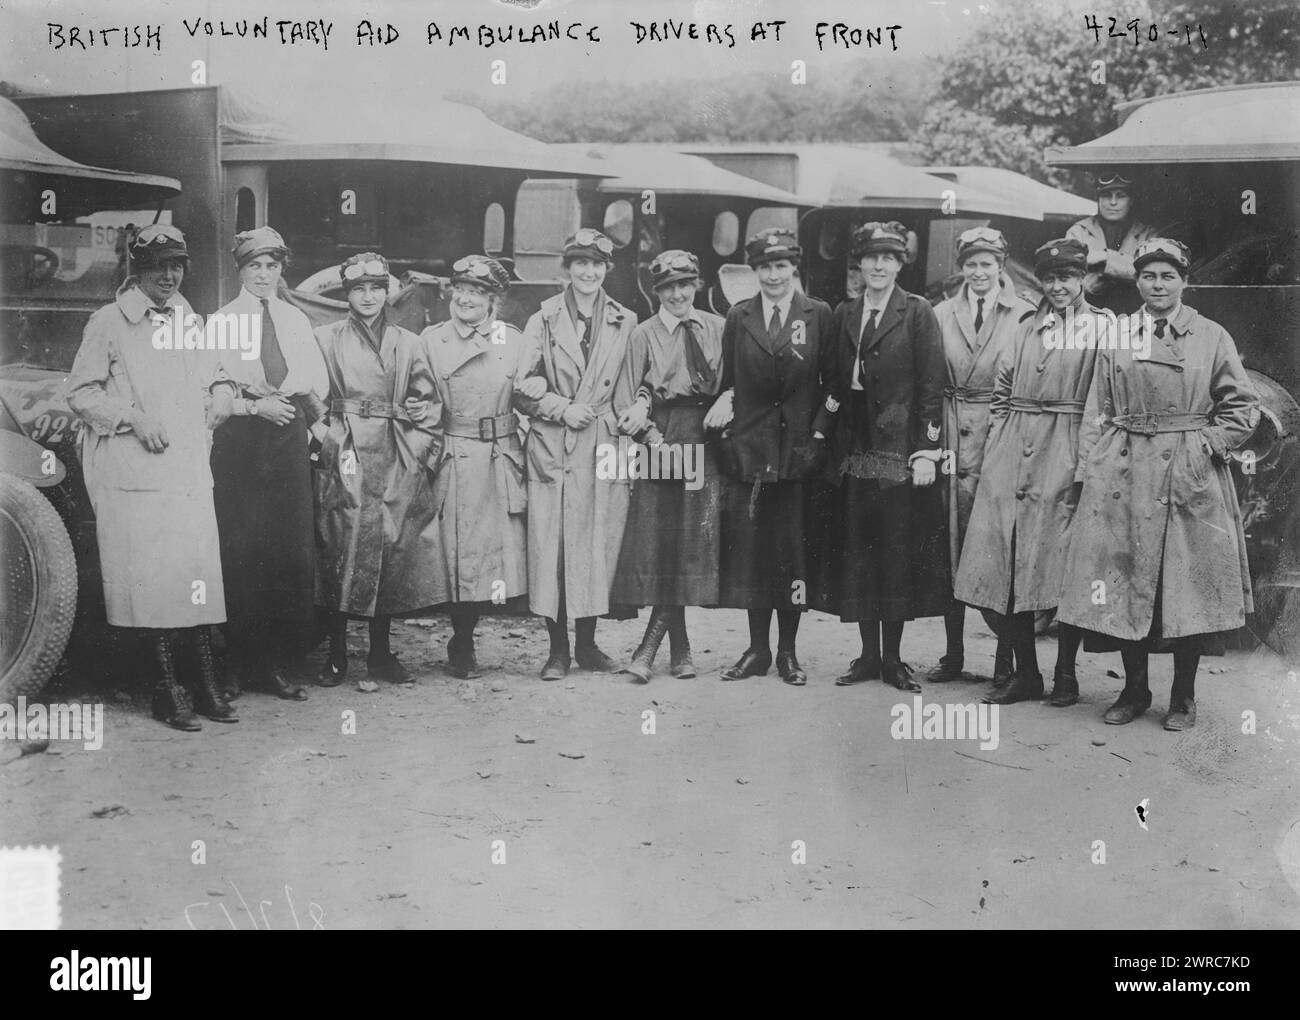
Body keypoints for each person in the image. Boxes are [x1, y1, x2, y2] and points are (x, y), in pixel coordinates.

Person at [1057, 238, 1259, 729]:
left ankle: (1183, 697)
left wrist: (1206, 443)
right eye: (1149, 276)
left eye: (1168, 276)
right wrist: (1091, 468)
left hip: (1187, 473)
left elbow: (1243, 407)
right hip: (1124, 471)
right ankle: (1134, 690)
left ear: (1184, 282)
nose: (1158, 285)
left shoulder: (1211, 335)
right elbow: (1096, 408)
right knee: (1126, 581)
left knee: (1184, 587)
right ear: (1139, 282)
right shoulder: (1120, 334)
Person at [66, 225, 239, 730]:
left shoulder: (189, 319)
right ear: (136, 271)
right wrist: (133, 418)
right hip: (135, 470)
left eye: (177, 265)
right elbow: (80, 392)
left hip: (185, 470)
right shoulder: (109, 323)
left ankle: (204, 682)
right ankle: (167, 688)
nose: (169, 275)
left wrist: (225, 391)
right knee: (152, 580)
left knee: (196, 572)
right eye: (158, 266)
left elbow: (217, 371)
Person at [953, 238, 1102, 706]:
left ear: (1083, 280)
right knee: (1008, 564)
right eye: (1051, 279)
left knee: (1066, 568)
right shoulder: (1024, 326)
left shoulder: (1101, 328)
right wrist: (998, 443)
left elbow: (1104, 401)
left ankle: (1066, 675)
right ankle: (1026, 674)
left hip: (1068, 447)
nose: (1058, 287)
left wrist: (1085, 463)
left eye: (1068, 278)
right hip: (1013, 453)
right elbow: (1001, 391)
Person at [817, 222, 950, 693]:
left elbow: (932, 387)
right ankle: (867, 656)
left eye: (888, 258)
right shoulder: (844, 313)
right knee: (858, 550)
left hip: (896, 450)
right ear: (859, 264)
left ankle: (893, 660)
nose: (877, 266)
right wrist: (822, 436)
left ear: (899, 264)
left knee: (893, 553)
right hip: (854, 449)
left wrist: (926, 451)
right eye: (870, 258)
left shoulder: (916, 313)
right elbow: (834, 385)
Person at [704, 228, 837, 687]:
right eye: (764, 267)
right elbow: (729, 376)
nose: (774, 275)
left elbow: (834, 385)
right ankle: (756, 649)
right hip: (752, 453)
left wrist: (818, 435)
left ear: (793, 268)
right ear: (754, 271)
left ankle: (787, 652)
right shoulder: (740, 316)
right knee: (755, 556)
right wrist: (725, 398)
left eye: (781, 266)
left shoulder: (817, 314)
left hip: (799, 454)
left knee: (793, 556)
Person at [210, 227, 328, 703]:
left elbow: (310, 376)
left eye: (272, 266)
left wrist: (285, 401)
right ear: (240, 270)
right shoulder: (220, 321)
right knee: (240, 546)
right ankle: (238, 660)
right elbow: (215, 380)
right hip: (241, 440)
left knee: (286, 548)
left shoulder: (295, 319)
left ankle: (275, 662)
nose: (263, 275)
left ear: (282, 270)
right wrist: (254, 399)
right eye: (254, 266)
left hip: (286, 435)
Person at [313, 252, 441, 690]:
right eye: (358, 289)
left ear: (387, 292)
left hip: (394, 450)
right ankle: (335, 655)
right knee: (339, 545)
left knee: (389, 545)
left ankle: (381, 654)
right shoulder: (326, 338)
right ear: (346, 294)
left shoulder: (409, 342)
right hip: (346, 450)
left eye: (375, 288)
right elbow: (310, 398)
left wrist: (419, 445)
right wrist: (329, 441)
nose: (368, 297)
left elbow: (428, 399)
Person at [518, 229, 639, 681]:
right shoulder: (544, 318)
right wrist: (560, 407)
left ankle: (587, 645)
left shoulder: (625, 319)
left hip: (605, 440)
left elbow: (637, 377)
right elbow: (520, 389)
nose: (588, 272)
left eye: (597, 264)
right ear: (566, 269)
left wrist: (639, 405)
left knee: (595, 544)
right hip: (555, 441)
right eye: (579, 264)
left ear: (607, 270)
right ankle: (557, 649)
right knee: (552, 544)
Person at [611, 250, 725, 682]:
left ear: (697, 284)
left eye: (685, 284)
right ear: (655, 291)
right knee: (662, 542)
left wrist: (729, 397)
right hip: (660, 435)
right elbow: (626, 399)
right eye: (667, 287)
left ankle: (654, 648)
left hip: (705, 437)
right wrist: (654, 442)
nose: (677, 294)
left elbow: (735, 381)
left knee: (689, 543)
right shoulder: (643, 335)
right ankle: (673, 649)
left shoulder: (717, 327)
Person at [418, 255, 531, 678]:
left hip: (500, 454)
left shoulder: (513, 340)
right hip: (455, 452)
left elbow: (528, 393)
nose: (465, 299)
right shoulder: (432, 340)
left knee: (494, 557)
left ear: (492, 300)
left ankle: (474, 632)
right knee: (458, 556)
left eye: (477, 293)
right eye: (460, 290)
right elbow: (421, 399)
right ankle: (461, 641)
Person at [931, 227, 1033, 685]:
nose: (977, 272)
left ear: (1002, 265)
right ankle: (953, 655)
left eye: (986, 264)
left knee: (997, 549)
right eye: (970, 264)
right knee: (948, 546)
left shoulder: (1026, 315)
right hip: (952, 434)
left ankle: (1004, 663)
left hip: (1001, 433)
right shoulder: (940, 314)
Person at [1066, 170, 1158, 309]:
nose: (1113, 202)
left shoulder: (1148, 234)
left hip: (1136, 311)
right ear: (1098, 199)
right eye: (1106, 195)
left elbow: (1151, 274)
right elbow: (1068, 275)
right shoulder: (1078, 231)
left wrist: (1104, 258)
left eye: (1121, 196)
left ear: (1131, 200)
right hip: (1088, 312)